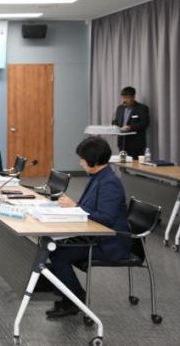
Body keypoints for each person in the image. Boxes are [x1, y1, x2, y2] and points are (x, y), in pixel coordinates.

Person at [46, 136, 130, 319]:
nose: (80, 162)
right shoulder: (98, 176)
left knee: (57, 253)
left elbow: (106, 219)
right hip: (94, 235)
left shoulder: (109, 183)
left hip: (109, 243)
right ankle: (68, 296)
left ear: (95, 161)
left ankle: (75, 299)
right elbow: (89, 209)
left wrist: (75, 207)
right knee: (51, 245)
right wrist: (72, 208)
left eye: (83, 159)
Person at [111, 86, 150, 159]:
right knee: (122, 163)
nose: (125, 100)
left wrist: (130, 127)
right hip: (122, 143)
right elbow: (116, 121)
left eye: (127, 98)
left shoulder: (142, 108)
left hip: (136, 144)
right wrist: (114, 125)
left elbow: (145, 123)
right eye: (123, 97)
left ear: (133, 97)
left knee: (135, 163)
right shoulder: (120, 108)